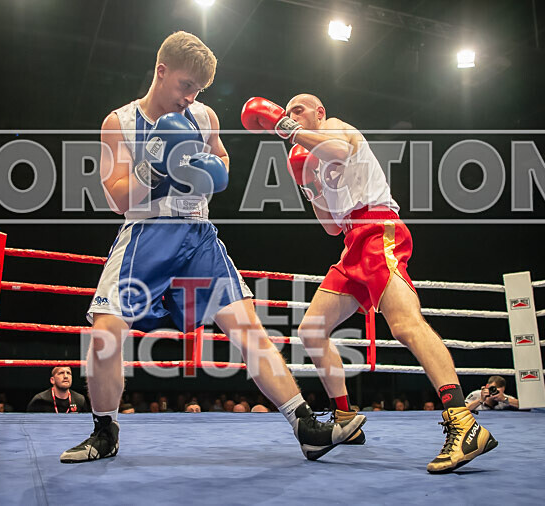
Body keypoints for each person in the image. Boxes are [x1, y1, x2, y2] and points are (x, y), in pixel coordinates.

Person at [60, 31, 364, 464]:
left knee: (249, 329)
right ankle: (104, 431)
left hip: (198, 234)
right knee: (106, 334)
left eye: (198, 90)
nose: (190, 97)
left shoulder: (203, 116)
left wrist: (214, 170)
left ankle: (305, 426)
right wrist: (159, 166)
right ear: (161, 71)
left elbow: (221, 159)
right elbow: (116, 198)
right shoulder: (120, 123)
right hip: (146, 233)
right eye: (186, 85)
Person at [240, 94, 498, 473]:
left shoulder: (334, 127)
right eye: (288, 111)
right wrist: (309, 185)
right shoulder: (309, 155)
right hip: (351, 242)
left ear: (318, 112)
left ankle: (464, 423)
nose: (292, 115)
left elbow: (340, 151)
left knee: (406, 325)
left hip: (378, 230)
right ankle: (345, 418)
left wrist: (288, 128)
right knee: (312, 331)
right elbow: (330, 226)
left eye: (299, 109)